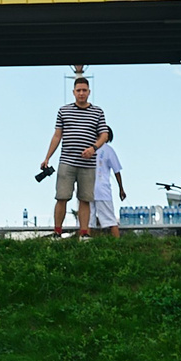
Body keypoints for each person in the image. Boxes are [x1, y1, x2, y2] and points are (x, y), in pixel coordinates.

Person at [39, 73, 109, 239]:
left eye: (84, 90)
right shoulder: (64, 111)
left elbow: (104, 134)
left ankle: (84, 233)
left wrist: (94, 148)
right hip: (67, 161)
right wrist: (47, 157)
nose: (81, 93)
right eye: (78, 90)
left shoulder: (97, 112)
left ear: (89, 92)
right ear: (74, 92)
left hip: (88, 163)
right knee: (62, 197)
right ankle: (57, 232)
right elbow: (57, 135)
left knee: (85, 199)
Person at [90, 137, 126, 233]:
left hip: (87, 187)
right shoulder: (109, 150)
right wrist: (121, 188)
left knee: (87, 221)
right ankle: (117, 243)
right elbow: (117, 171)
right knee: (110, 220)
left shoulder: (88, 148)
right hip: (102, 189)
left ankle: (86, 243)